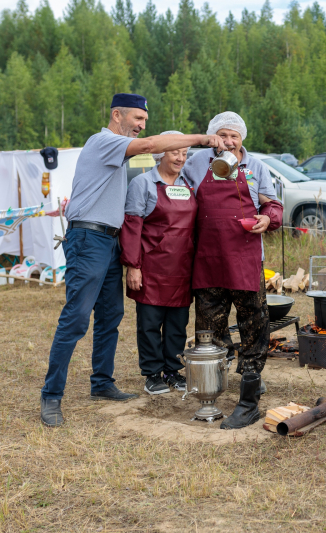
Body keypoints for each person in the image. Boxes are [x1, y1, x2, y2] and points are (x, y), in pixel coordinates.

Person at [40, 93, 225, 428]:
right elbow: (152, 145)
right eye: (137, 120)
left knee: (111, 316)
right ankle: (51, 396)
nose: (141, 127)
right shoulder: (103, 141)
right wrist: (201, 138)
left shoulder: (117, 149)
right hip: (88, 239)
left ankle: (102, 384)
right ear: (117, 115)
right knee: (77, 319)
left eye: (144, 121)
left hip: (109, 241)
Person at [182, 111, 283, 430]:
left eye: (234, 136)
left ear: (242, 139)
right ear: (213, 137)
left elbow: (273, 204)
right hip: (208, 259)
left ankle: (249, 400)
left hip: (245, 259)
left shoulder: (257, 167)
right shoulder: (196, 163)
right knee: (208, 330)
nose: (228, 141)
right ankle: (210, 393)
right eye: (222, 135)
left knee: (254, 326)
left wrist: (268, 218)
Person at [119, 131, 196, 395]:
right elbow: (132, 227)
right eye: (175, 151)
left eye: (184, 153)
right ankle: (152, 374)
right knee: (150, 324)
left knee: (177, 324)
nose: (180, 158)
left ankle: (173, 371)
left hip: (182, 267)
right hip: (151, 267)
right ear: (160, 152)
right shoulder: (142, 183)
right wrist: (133, 265)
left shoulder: (189, 184)